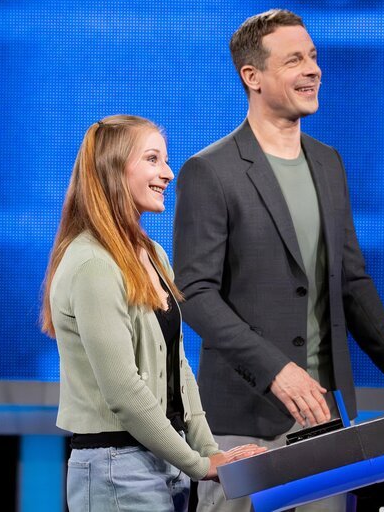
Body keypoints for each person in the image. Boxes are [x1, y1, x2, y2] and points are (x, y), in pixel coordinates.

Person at [173, 10, 384, 511]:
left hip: (324, 421)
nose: (313, 69)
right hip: (245, 419)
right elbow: (195, 294)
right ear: (253, 77)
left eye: (313, 57)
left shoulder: (328, 163)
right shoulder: (210, 170)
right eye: (294, 60)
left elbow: (351, 280)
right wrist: (275, 369)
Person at [41, 115, 265, 512]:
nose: (168, 173)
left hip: (165, 462)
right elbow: (124, 391)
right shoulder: (92, 263)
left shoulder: (153, 255)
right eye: (153, 159)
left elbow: (178, 367)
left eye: (165, 160)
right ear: (113, 169)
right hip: (116, 468)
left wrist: (210, 452)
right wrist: (199, 463)